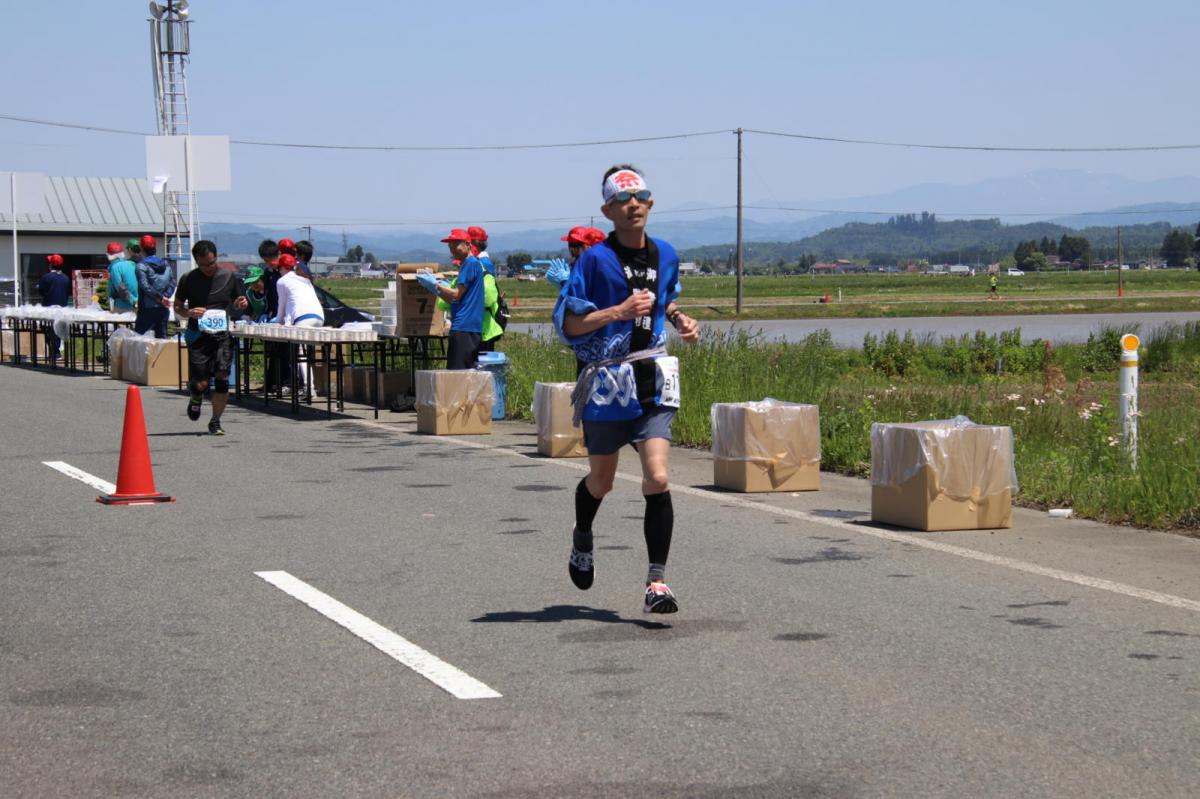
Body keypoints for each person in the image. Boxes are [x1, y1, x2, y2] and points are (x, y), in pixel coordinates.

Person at [553, 164, 699, 614]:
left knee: (657, 476)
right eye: (622, 200)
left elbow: (665, 295)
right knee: (603, 480)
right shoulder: (594, 262)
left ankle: (657, 582)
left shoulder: (666, 254)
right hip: (607, 383)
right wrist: (616, 311)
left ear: (651, 204)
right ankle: (582, 535)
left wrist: (678, 319)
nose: (632, 205)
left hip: (652, 376)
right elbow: (568, 324)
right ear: (607, 210)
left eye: (640, 197)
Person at [173, 240, 249, 436]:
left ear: (216, 258)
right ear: (196, 262)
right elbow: (177, 307)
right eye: (203, 264)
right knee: (201, 384)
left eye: (212, 262)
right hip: (199, 335)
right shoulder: (188, 278)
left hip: (222, 335)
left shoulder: (228, 276)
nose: (208, 268)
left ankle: (215, 421)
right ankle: (196, 396)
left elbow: (237, 301)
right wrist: (189, 312)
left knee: (222, 377)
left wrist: (241, 303)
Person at [417, 229, 485, 369]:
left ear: (468, 244)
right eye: (450, 246)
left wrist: (436, 284)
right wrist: (435, 289)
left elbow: (456, 294)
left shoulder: (470, 263)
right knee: (461, 372)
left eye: (456, 244)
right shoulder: (468, 264)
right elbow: (453, 300)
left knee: (457, 374)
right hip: (465, 327)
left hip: (464, 327)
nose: (452, 249)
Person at [134, 235, 176, 338]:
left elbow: (144, 285)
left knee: (141, 342)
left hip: (146, 310)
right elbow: (173, 281)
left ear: (142, 249)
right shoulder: (166, 264)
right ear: (155, 248)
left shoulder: (141, 265)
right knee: (161, 342)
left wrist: (160, 298)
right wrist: (165, 296)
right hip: (163, 309)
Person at [37, 254, 71, 360]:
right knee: (59, 329)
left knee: (48, 329)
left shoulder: (46, 277)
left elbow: (41, 291)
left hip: (48, 308)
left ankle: (55, 351)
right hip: (62, 309)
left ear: (51, 265)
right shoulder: (66, 278)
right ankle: (57, 351)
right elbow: (68, 292)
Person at [106, 242, 138, 313]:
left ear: (109, 255)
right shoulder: (132, 264)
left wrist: (133, 302)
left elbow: (121, 289)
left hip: (123, 306)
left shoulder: (115, 268)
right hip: (138, 304)